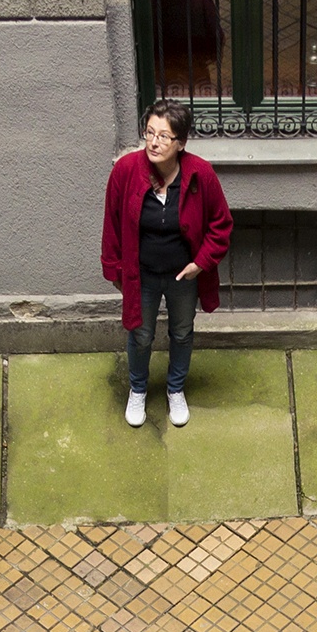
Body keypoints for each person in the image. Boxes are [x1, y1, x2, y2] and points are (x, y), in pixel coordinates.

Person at [104, 98, 232, 428]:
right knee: (140, 333)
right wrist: (115, 269)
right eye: (149, 132)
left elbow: (221, 223)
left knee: (182, 331)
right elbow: (113, 222)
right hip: (141, 274)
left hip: (182, 276)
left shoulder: (200, 174)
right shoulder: (126, 171)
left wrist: (200, 264)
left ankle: (175, 389)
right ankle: (138, 389)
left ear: (181, 143)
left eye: (164, 136)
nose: (154, 142)